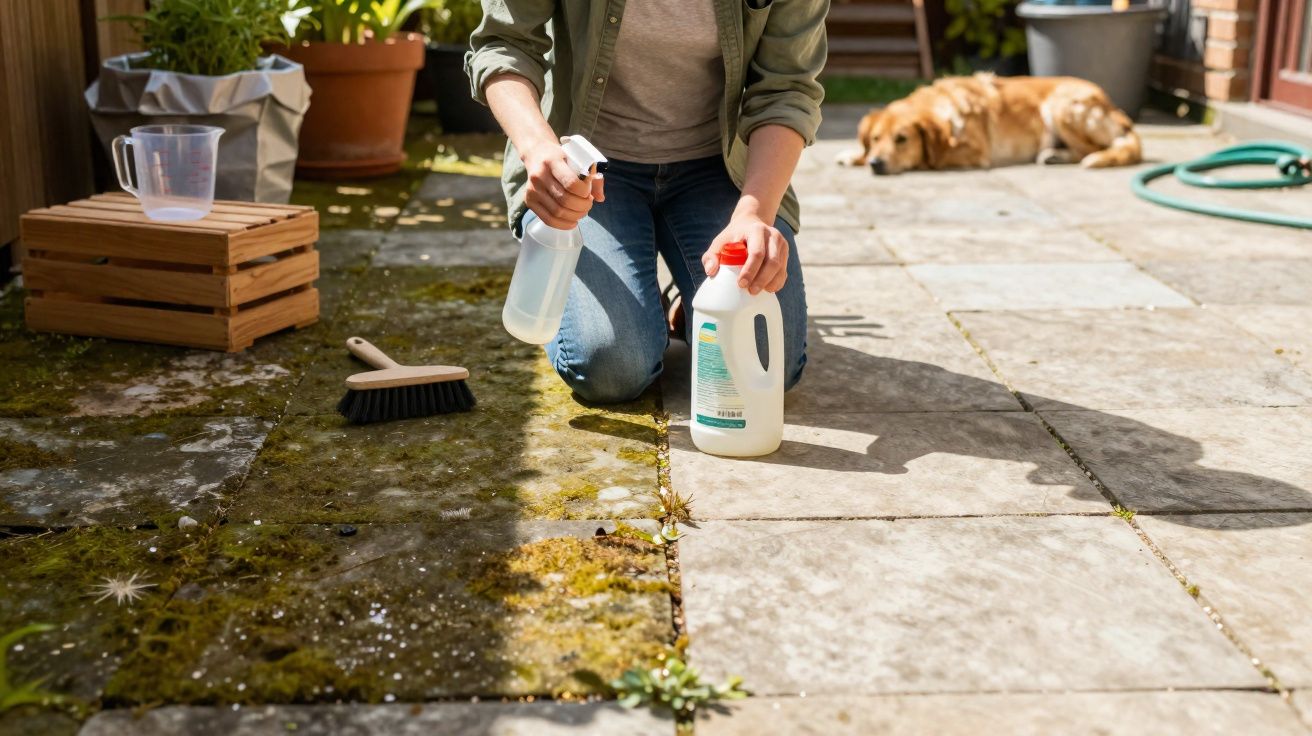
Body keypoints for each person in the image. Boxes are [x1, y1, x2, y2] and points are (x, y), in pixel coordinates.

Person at [466, 1, 826, 403]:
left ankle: (678, 302)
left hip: (717, 169)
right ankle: (637, 303)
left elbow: (787, 87)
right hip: (587, 165)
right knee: (613, 368)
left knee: (765, 364)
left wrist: (754, 212)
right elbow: (502, 42)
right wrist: (538, 149)